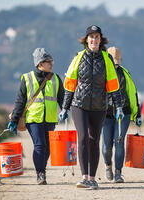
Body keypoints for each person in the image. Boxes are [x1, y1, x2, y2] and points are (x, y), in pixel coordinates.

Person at [59, 25, 123, 189]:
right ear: (86, 40)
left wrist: (119, 107)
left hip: (99, 106)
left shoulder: (106, 59)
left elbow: (113, 85)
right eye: (91, 37)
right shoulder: (78, 57)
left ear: (100, 40)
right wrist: (65, 107)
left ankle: (92, 178)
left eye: (97, 37)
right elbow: (70, 84)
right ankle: (84, 177)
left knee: (94, 140)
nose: (94, 40)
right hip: (79, 104)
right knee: (82, 138)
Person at [7, 48, 64, 185]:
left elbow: (62, 98)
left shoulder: (56, 78)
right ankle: (40, 174)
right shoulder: (27, 78)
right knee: (40, 145)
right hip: (33, 119)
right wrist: (14, 120)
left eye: (51, 61)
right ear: (40, 63)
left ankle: (41, 169)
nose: (51, 64)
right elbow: (20, 101)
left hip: (50, 119)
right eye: (48, 62)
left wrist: (66, 110)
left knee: (48, 148)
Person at [101, 46, 142, 183]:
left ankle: (118, 172)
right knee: (107, 146)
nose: (116, 64)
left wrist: (137, 115)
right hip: (105, 114)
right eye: (113, 61)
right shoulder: (102, 73)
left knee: (119, 142)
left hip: (123, 113)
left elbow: (133, 94)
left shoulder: (125, 74)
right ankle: (108, 166)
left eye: (118, 61)